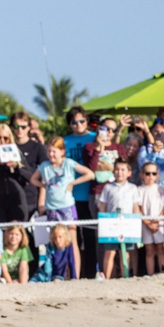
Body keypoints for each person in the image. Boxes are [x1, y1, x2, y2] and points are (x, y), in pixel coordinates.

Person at [30, 136, 95, 275]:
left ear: (62, 152)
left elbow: (90, 174)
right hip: (51, 208)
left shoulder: (69, 163)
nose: (51, 154)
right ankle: (58, 273)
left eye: (54, 151)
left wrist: (72, 183)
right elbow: (33, 179)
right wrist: (44, 186)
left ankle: (75, 274)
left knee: (72, 241)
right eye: (49, 151)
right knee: (55, 242)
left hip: (67, 207)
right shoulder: (44, 166)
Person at [63, 106, 97, 278]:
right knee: (73, 238)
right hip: (69, 196)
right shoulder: (64, 141)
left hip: (90, 193)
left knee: (90, 235)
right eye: (74, 122)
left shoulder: (95, 138)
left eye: (81, 121)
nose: (78, 125)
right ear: (70, 124)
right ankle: (75, 273)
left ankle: (90, 274)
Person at [97, 158, 142, 278]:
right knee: (110, 252)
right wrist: (101, 224)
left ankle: (125, 276)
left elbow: (136, 208)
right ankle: (107, 277)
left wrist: (137, 225)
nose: (119, 172)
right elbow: (103, 207)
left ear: (128, 172)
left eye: (123, 170)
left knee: (125, 252)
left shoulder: (133, 188)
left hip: (127, 225)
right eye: (117, 169)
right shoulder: (107, 187)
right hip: (111, 226)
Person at [11, 111, 48, 213]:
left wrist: (41, 203)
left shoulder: (38, 148)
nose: (20, 130)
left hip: (32, 198)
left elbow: (44, 178)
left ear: (29, 128)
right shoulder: (7, 147)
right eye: (16, 126)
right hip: (11, 197)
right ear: (12, 127)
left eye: (23, 127)